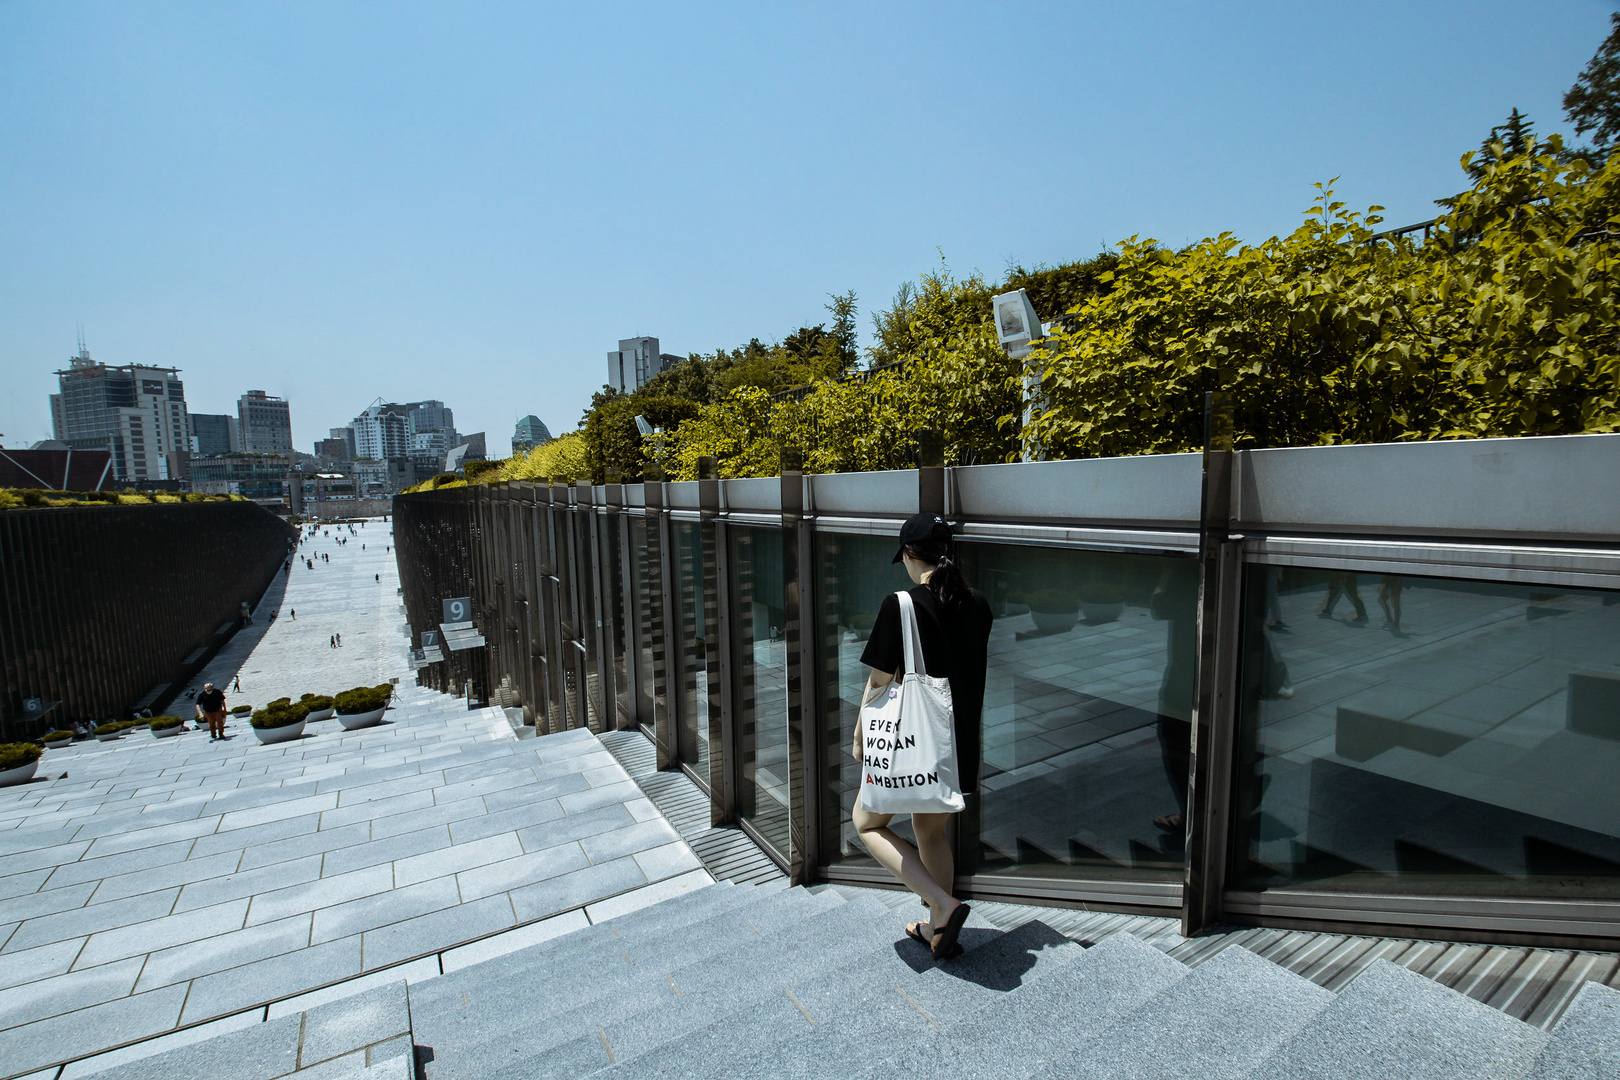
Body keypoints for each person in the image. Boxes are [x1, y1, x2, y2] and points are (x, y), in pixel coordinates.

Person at [852, 512, 991, 961]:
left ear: (911, 554)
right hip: (956, 743)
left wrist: (859, 736)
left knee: (866, 823)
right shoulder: (978, 603)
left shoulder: (902, 605)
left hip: (913, 741)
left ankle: (942, 905)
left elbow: (877, 683)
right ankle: (937, 929)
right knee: (930, 832)